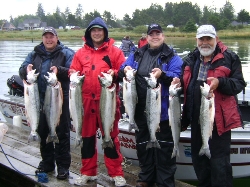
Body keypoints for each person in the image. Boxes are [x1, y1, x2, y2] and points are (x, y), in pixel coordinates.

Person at [172, 25, 246, 187]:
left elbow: (239, 84)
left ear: (216, 39)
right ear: (196, 40)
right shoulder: (191, 58)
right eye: (202, 39)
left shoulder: (230, 57)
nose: (205, 43)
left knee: (220, 165)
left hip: (219, 122)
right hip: (196, 120)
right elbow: (183, 78)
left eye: (209, 39)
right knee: (200, 163)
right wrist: (178, 81)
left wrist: (220, 82)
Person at [118, 23, 183, 187]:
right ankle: (146, 177)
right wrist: (125, 69)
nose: (155, 36)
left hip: (162, 112)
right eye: (151, 34)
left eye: (158, 33)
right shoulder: (137, 54)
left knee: (165, 149)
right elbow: (122, 68)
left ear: (163, 36)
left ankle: (164, 181)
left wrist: (163, 75)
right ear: (147, 37)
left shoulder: (172, 57)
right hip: (139, 110)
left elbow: (177, 76)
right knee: (142, 146)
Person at [69, 17, 127, 186]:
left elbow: (123, 71)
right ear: (89, 33)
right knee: (86, 139)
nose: (96, 33)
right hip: (85, 102)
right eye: (93, 30)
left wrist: (114, 73)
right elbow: (73, 70)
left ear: (105, 32)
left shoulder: (115, 52)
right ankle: (88, 172)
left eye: (99, 30)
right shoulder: (80, 53)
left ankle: (116, 173)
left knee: (111, 138)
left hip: (107, 101)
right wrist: (72, 74)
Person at [19, 27, 75, 180]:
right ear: (42, 38)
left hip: (60, 98)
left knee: (62, 133)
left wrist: (60, 71)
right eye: (46, 37)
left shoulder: (67, 53)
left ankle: (63, 167)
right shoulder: (34, 53)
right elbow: (22, 69)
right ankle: (47, 163)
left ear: (57, 38)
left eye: (52, 36)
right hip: (39, 99)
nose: (49, 39)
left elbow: (74, 71)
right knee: (43, 131)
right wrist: (26, 69)